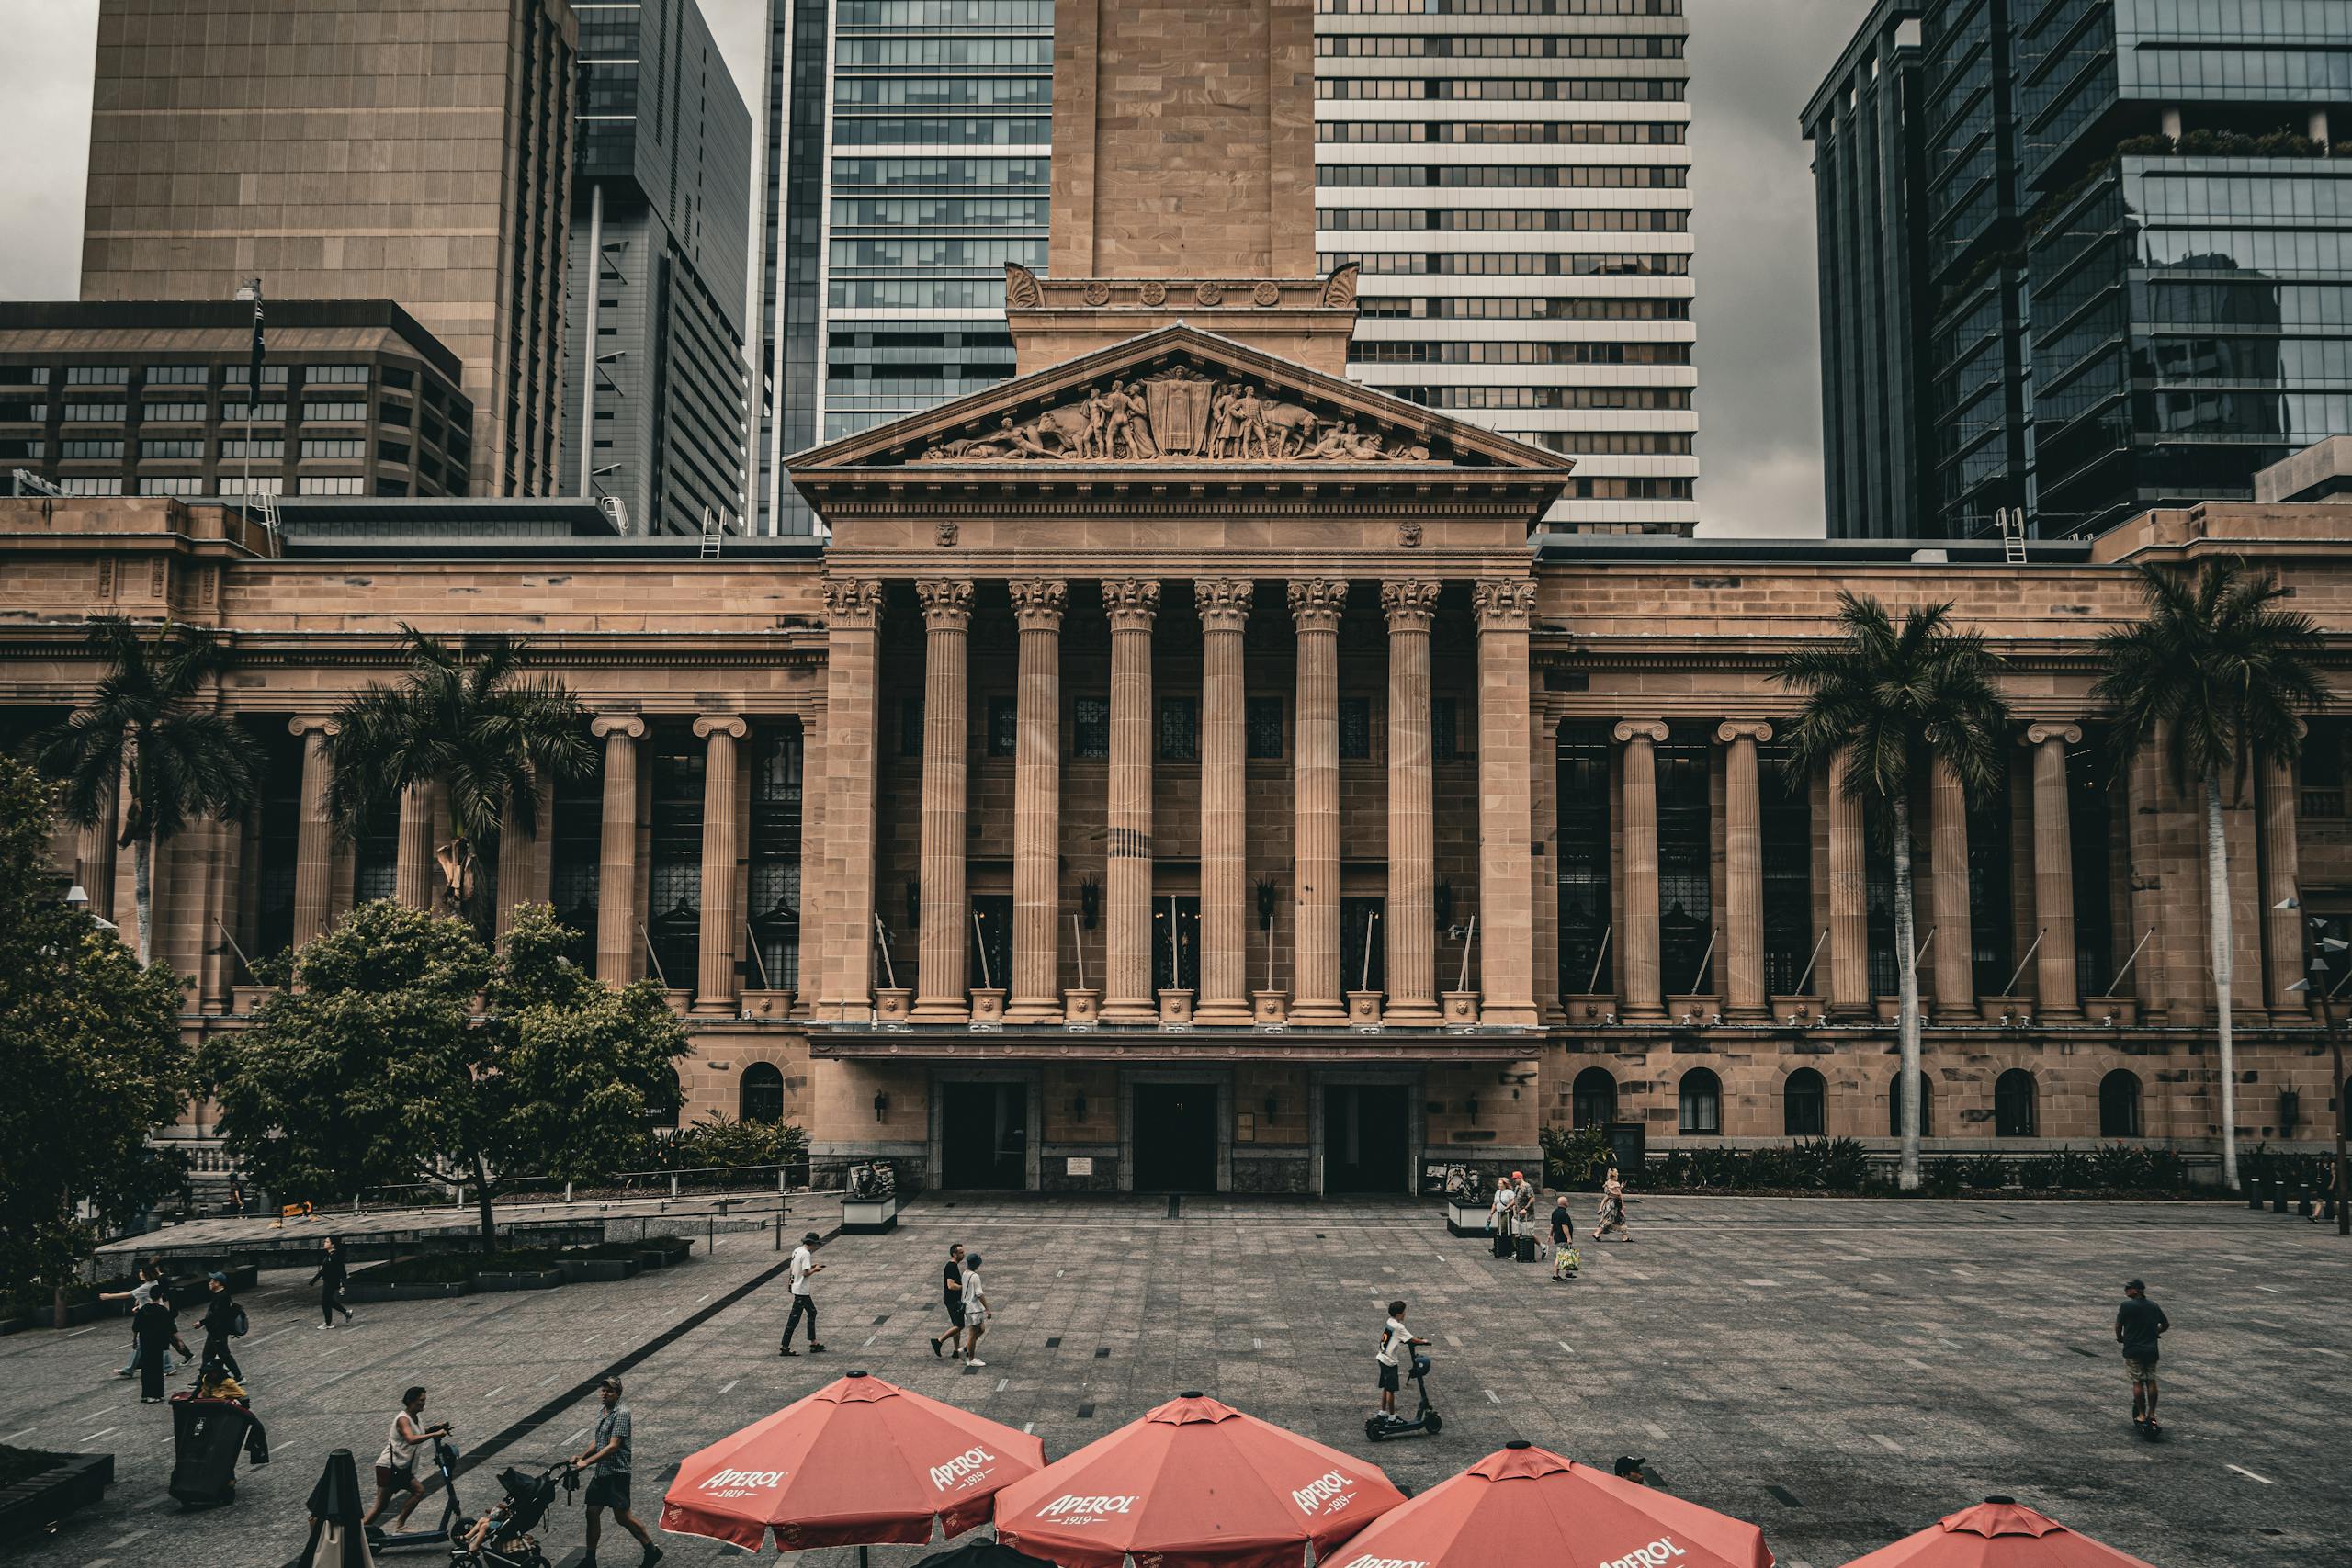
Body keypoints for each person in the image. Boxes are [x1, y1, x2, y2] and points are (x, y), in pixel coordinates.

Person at [571, 1376, 662, 1568]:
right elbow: (600, 1439)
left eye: (609, 1391)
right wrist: (581, 1456)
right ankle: (590, 1559)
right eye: (602, 1390)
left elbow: (613, 1446)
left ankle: (651, 1550)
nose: (604, 1394)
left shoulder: (621, 1413)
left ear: (618, 1394)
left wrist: (586, 1463)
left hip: (616, 1473)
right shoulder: (604, 1411)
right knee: (592, 1512)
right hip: (602, 1473)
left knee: (623, 1517)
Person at [364, 1385, 450, 1533]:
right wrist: (434, 1435)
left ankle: (400, 1525)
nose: (424, 1403)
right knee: (381, 1505)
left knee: (419, 1491)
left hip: (401, 1467)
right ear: (411, 1400)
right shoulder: (403, 1419)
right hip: (389, 1467)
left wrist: (434, 1428)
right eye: (421, 1400)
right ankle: (355, 1533)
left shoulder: (415, 1417)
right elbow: (410, 1438)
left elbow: (419, 1432)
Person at [2116, 1277, 2171, 1434]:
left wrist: (2120, 1338)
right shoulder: (2153, 1305)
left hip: (2133, 1350)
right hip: (2151, 1349)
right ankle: (2152, 1414)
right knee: (2151, 1379)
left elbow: (2118, 1326)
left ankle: (2141, 1414)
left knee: (2138, 1381)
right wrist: (2156, 1332)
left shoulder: (2126, 1305)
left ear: (2136, 1290)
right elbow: (2165, 1324)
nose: (2126, 1290)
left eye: (2128, 1288)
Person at [302, 1448, 370, 1568]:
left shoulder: (326, 1485)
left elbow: (315, 1506)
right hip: (351, 1526)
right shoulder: (349, 1485)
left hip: (325, 1528)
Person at [105, 1261, 172, 1380]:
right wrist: (139, 1306)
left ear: (146, 1274)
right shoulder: (152, 1283)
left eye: (141, 1272)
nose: (139, 1273)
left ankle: (167, 1367)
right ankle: (131, 1369)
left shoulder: (147, 1286)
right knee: (145, 1344)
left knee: (154, 1343)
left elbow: (128, 1294)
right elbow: (146, 1299)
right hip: (153, 1314)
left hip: (151, 1318)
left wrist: (109, 1296)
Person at [130, 1286, 188, 1404]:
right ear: (161, 1295)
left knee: (146, 1369)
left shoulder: (143, 1309)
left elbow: (136, 1327)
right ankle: (155, 1394)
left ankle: (146, 1394)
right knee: (156, 1369)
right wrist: (180, 1341)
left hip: (145, 1343)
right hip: (158, 1343)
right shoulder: (163, 1311)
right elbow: (172, 1328)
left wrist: (134, 1340)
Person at [1374, 1300, 1429, 1422]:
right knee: (1391, 1390)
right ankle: (1392, 1418)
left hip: (1382, 1357)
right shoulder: (1399, 1326)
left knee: (1386, 1387)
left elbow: (1398, 1337)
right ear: (1398, 1314)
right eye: (1404, 1312)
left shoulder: (1390, 1321)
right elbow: (1412, 1340)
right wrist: (1423, 1341)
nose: (1405, 1314)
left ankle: (1382, 1412)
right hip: (1389, 1362)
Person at [779, 1230, 826, 1355]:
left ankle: (814, 1342)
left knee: (812, 1312)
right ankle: (785, 1347)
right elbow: (805, 1273)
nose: (816, 1247)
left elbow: (797, 1268)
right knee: (794, 1319)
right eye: (816, 1245)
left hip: (796, 1286)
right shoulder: (806, 1254)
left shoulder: (797, 1250)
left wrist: (811, 1267)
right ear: (813, 1243)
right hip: (801, 1290)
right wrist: (815, 1269)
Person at [196, 1269, 245, 1385]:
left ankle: (239, 1376)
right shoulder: (220, 1295)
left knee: (224, 1355)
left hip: (219, 1331)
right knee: (208, 1355)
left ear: (218, 1283)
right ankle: (201, 1379)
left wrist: (202, 1322)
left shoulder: (222, 1296)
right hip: (215, 1331)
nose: (209, 1283)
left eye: (212, 1281)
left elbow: (216, 1315)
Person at [928, 1242, 967, 1358]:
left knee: (956, 1325)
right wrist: (964, 1287)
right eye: (961, 1253)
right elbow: (950, 1285)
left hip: (953, 1299)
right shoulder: (951, 1266)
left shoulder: (953, 1265)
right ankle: (939, 1341)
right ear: (954, 1254)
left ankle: (956, 1351)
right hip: (952, 1300)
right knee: (959, 1325)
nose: (963, 1255)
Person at [311, 1237, 354, 1330]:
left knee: (325, 1301)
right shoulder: (330, 1255)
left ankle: (328, 1323)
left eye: (327, 1242)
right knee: (328, 1300)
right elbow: (324, 1270)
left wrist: (342, 1284)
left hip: (332, 1281)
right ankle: (346, 1313)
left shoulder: (335, 1256)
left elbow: (341, 1270)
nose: (325, 1243)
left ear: (333, 1244)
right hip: (328, 1280)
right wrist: (313, 1281)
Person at [959, 1252, 989, 1367]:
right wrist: (988, 1309)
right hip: (973, 1309)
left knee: (981, 1329)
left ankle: (965, 1348)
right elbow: (980, 1294)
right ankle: (971, 1359)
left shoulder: (965, 1273)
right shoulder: (975, 1276)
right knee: (973, 1334)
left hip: (970, 1307)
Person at [1549, 1193, 1579, 1281]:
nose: (1568, 1203)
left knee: (1567, 1254)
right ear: (1564, 1203)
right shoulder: (1563, 1213)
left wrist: (1550, 1235)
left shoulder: (1555, 1212)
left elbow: (1552, 1225)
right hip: (1562, 1238)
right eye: (1567, 1201)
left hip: (1557, 1237)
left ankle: (1568, 1272)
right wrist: (1569, 1238)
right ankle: (1555, 1275)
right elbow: (1564, 1226)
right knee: (1560, 1256)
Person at [1596, 1167, 1630, 1241]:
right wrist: (1623, 1205)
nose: (1617, 1173)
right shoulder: (1616, 1183)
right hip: (1614, 1204)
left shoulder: (1607, 1182)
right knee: (1611, 1220)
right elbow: (1619, 1195)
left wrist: (1620, 1187)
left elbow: (1611, 1193)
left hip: (1609, 1203)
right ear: (1614, 1175)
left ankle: (1625, 1237)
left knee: (1619, 1219)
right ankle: (1597, 1233)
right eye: (1616, 1172)